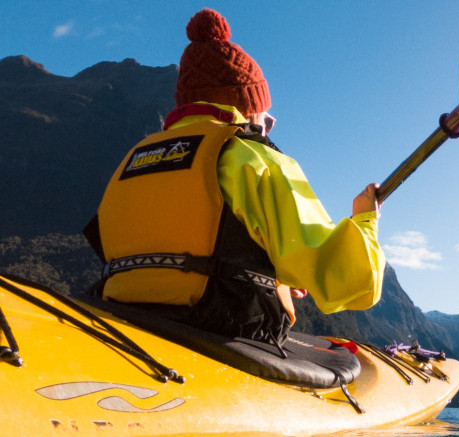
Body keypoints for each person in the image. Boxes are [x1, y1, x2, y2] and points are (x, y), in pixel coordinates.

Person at [84, 8, 386, 347]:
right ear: (246, 109)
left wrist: (274, 273)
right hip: (223, 333)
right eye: (266, 120)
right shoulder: (253, 158)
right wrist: (364, 221)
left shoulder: (133, 160)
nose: (269, 129)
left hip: (121, 324)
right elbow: (347, 281)